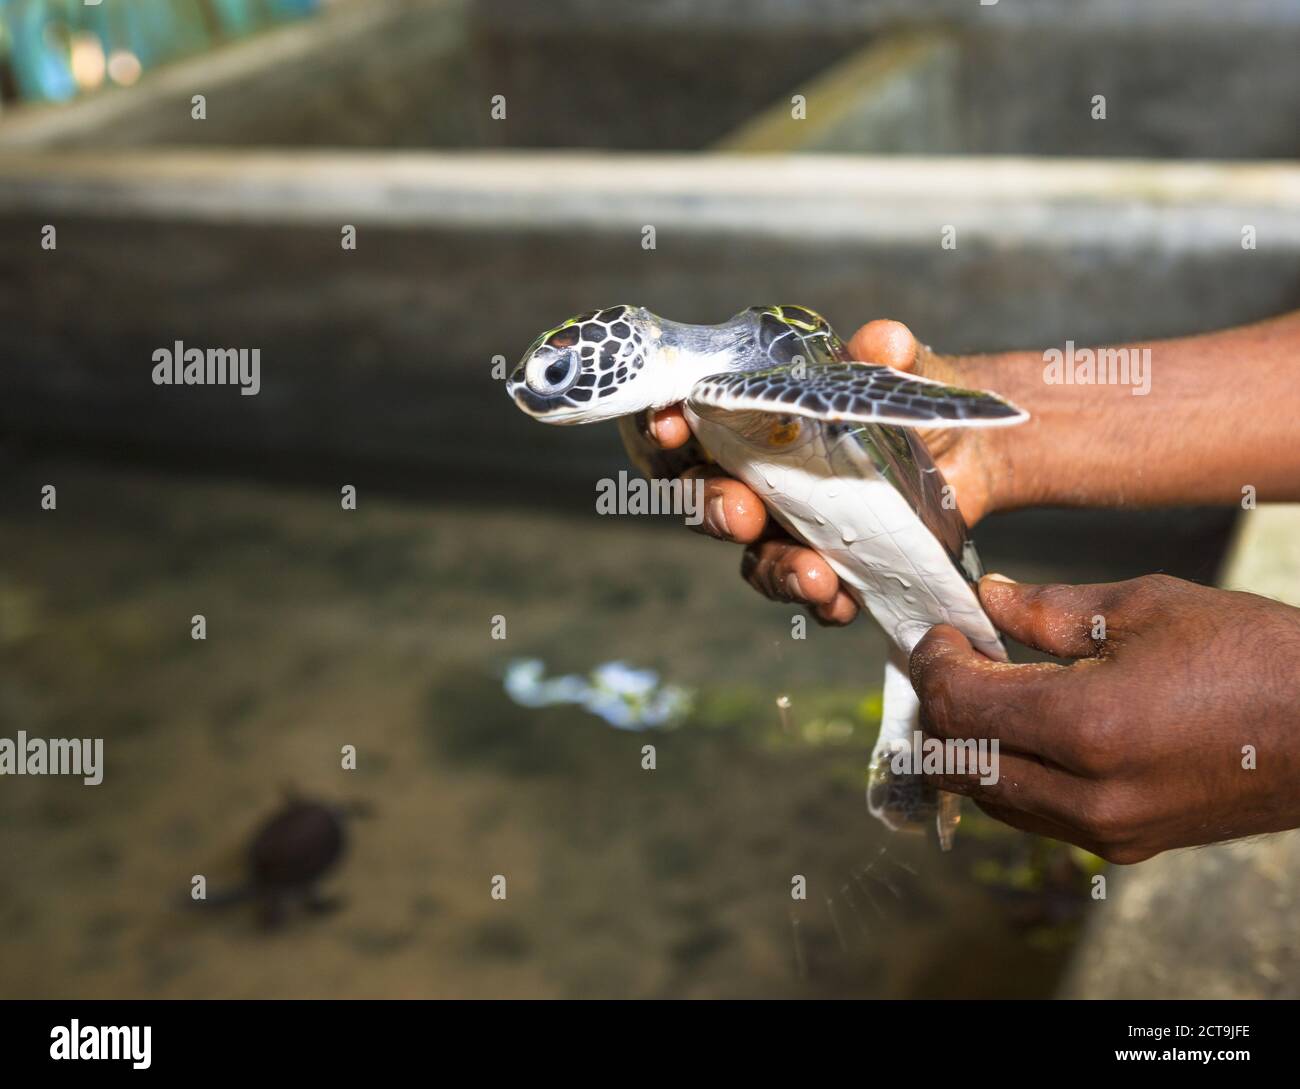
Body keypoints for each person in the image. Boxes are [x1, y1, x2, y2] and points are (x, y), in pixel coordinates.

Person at [646, 312, 1300, 863]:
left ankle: (917, 734)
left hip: (908, 538)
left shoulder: (729, 376)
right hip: (899, 528)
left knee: (932, 673)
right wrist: (984, 440)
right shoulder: (698, 401)